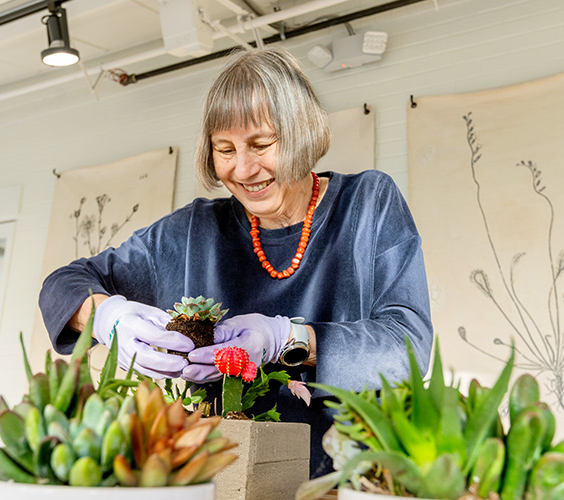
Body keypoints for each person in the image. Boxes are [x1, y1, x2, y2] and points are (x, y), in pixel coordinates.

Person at [39, 47, 433, 477]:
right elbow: (64, 282)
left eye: (261, 144)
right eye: (224, 149)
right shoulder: (193, 231)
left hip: (349, 478)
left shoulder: (367, 203)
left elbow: (407, 347)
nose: (243, 170)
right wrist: (106, 316)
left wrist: (288, 338)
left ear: (301, 133)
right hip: (224, 478)